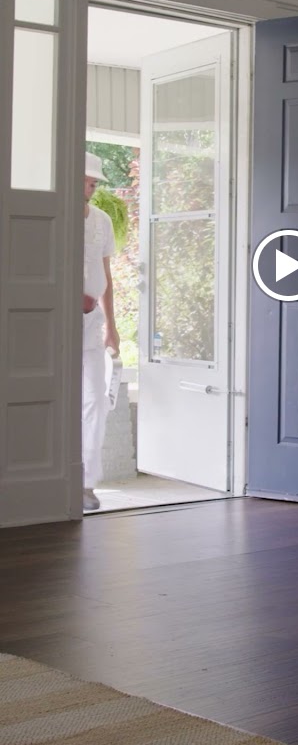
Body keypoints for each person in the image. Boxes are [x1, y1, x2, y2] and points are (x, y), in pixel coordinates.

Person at [83, 152, 120, 511]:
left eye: (94, 183)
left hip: (91, 323)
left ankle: (86, 483)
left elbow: (106, 275)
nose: (91, 188)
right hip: (55, 322)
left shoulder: (102, 221)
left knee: (96, 400)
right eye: (88, 182)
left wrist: (112, 326)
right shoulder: (54, 217)